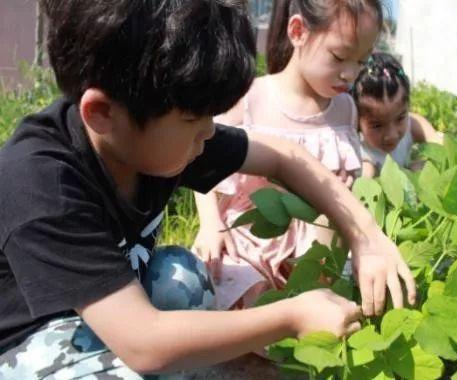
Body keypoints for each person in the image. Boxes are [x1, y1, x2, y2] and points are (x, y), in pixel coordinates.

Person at [0, 0, 415, 378]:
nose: (210, 133)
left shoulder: (152, 135)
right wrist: (292, 316)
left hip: (105, 313)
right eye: (194, 120)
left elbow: (283, 156)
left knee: (182, 276)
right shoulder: (41, 185)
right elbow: (144, 342)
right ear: (103, 113)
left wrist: (366, 238)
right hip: (28, 346)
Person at [194, 0, 384, 311]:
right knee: (237, 294)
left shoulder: (346, 109)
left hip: (316, 253)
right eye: (339, 57)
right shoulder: (253, 97)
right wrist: (210, 223)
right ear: (298, 31)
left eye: (362, 62)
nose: (350, 74)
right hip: (250, 242)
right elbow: (202, 157)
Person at [351, 52, 444, 177]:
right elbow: (364, 189)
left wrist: (425, 162)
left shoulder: (413, 125)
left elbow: (435, 140)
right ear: (357, 121)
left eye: (400, 118)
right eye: (377, 125)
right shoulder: (365, 157)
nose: (391, 135)